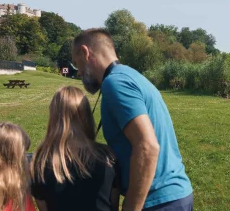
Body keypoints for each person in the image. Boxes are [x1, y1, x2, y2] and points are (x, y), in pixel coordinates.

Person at [72, 28, 193, 211]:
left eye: (76, 64)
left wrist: (130, 207)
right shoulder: (129, 75)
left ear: (85, 52)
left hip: (159, 201)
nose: (79, 72)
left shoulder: (116, 83)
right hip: (173, 196)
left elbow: (148, 147)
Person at [31, 86, 120, 211]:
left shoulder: (41, 161)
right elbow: (114, 205)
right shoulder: (107, 156)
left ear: (54, 117)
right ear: (87, 116)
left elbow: (43, 207)